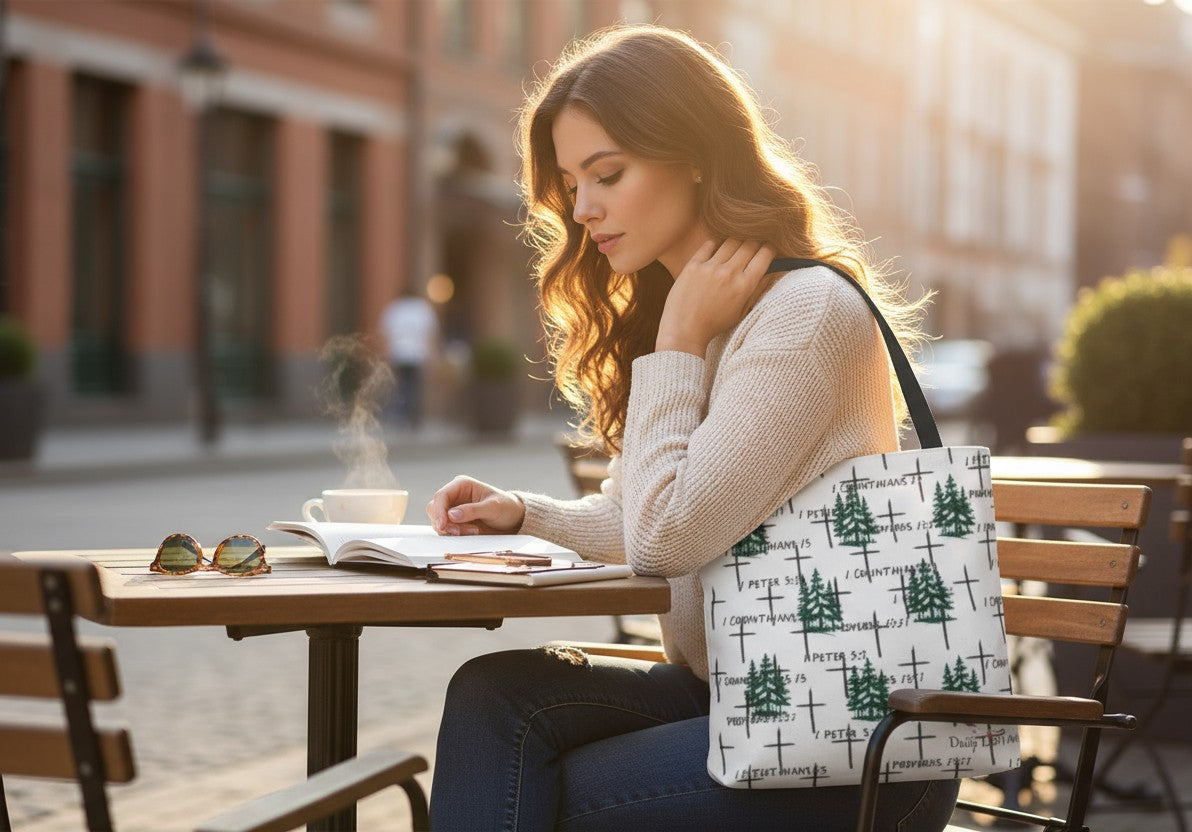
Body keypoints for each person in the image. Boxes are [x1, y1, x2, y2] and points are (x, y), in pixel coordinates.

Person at [424, 25, 958, 832]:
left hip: (859, 732)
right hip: (739, 692)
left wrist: (675, 341)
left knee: (551, 786)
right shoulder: (704, 316)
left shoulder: (802, 316)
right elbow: (651, 513)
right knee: (495, 698)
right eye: (572, 182)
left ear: (697, 156)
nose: (584, 208)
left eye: (608, 174)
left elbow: (669, 537)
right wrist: (527, 516)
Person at [380, 286, 438, 426]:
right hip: (417, 353)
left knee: (403, 384)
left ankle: (401, 414)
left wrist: (387, 352)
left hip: (398, 352)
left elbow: (385, 333)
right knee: (413, 385)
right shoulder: (423, 309)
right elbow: (430, 333)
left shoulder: (394, 309)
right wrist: (432, 354)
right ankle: (410, 415)